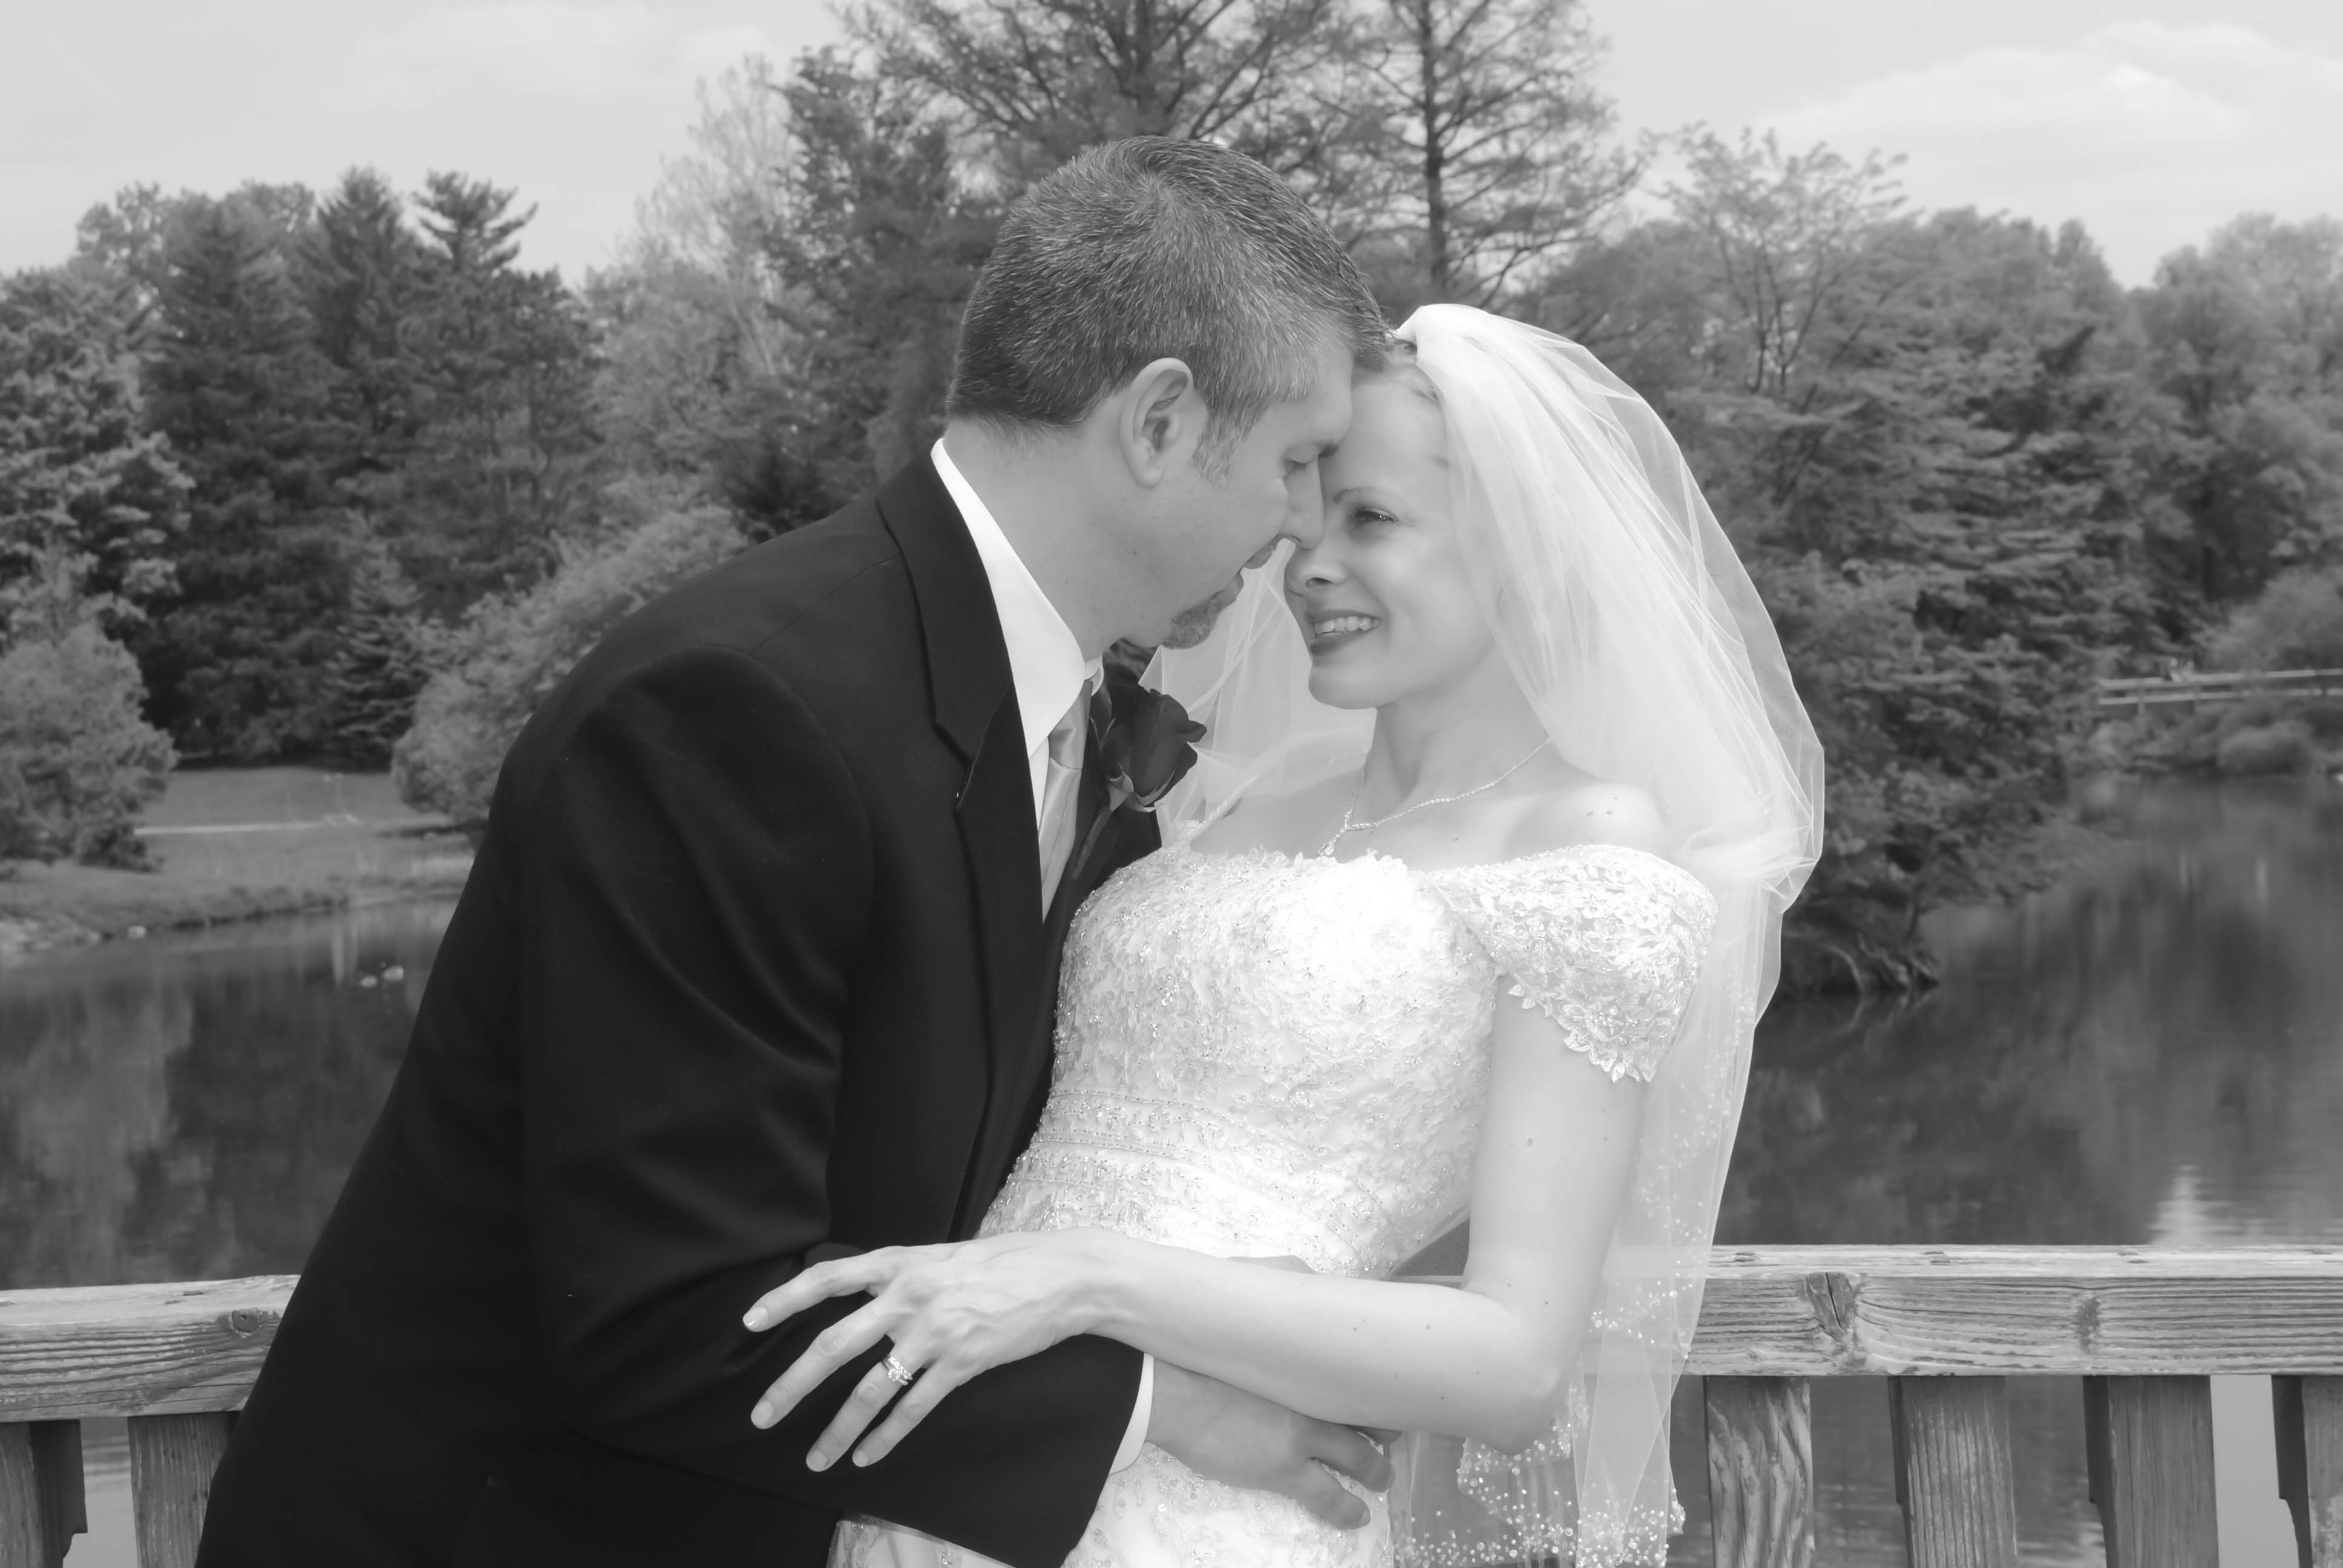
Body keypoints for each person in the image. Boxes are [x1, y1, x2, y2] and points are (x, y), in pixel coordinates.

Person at [194, 138, 1394, 1568]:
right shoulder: (734, 710)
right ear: (1157, 421)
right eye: (1296, 462)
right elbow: (675, 1320)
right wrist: (1156, 1408)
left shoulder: (1048, 716)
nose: (1302, 524)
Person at [745, 306, 1824, 1567]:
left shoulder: (1588, 849)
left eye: (1372, 519)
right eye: (1303, 523)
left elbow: (1516, 1360)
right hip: (973, 1449)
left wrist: (1088, 1277)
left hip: (1221, 1508)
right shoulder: (1231, 804)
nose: (1305, 568)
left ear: (1527, 550)